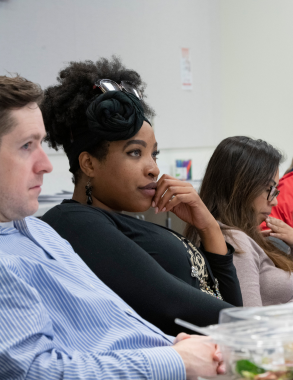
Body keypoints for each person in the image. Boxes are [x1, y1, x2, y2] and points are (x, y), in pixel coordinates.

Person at [0, 74, 223, 379]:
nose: (46, 164)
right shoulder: (66, 226)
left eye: (40, 143)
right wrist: (177, 360)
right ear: (89, 164)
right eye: (26, 145)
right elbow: (33, 371)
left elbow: (115, 326)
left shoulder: (39, 232)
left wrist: (175, 348)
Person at [40, 57, 242, 337]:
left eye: (153, 154)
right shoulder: (73, 222)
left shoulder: (119, 222)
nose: (154, 169)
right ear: (89, 165)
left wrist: (208, 226)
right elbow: (171, 302)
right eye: (135, 152)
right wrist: (268, 327)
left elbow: (228, 305)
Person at [187, 136, 293, 307]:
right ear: (241, 188)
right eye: (269, 189)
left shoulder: (243, 236)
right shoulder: (235, 240)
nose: (274, 201)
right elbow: (251, 324)